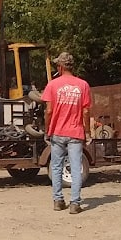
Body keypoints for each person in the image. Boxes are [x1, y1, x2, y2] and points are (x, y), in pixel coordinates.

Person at [42, 52, 92, 214]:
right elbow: (85, 112)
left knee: (56, 166)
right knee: (76, 167)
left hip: (57, 132)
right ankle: (75, 204)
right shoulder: (83, 85)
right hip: (76, 132)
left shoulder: (52, 85)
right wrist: (88, 131)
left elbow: (48, 110)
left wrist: (47, 130)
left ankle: (58, 201)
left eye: (58, 65)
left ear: (61, 67)